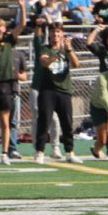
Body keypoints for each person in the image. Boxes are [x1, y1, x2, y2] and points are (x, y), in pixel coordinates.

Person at [33, 22, 82, 164]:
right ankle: (40, 151)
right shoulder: (45, 48)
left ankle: (69, 152)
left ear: (62, 34)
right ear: (50, 34)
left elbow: (76, 64)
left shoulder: (67, 49)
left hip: (64, 90)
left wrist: (69, 49)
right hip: (48, 90)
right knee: (45, 121)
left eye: (59, 32)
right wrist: (57, 53)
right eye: (54, 32)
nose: (56, 35)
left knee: (67, 123)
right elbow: (44, 62)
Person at [0, 17, 27, 165]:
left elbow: (22, 24)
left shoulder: (9, 42)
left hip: (5, 86)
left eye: (1, 26)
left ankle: (4, 152)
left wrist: (22, 7)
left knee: (5, 122)